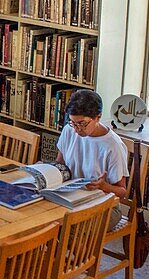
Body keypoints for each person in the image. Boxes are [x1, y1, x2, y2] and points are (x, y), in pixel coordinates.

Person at [55, 89, 129, 227]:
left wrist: (103, 186)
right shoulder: (69, 130)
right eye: (73, 122)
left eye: (82, 123)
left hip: (104, 206)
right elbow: (60, 165)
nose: (77, 129)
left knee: (66, 229)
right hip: (72, 198)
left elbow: (122, 192)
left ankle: (76, 248)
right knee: (43, 222)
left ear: (97, 117)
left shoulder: (113, 146)